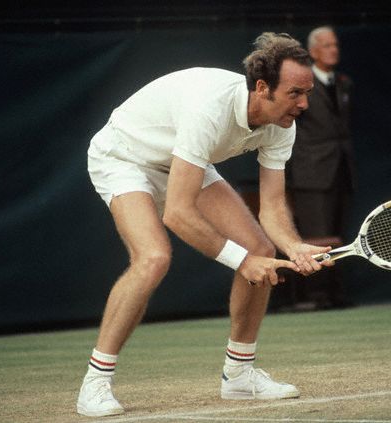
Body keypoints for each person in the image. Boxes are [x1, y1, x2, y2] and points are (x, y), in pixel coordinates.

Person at [78, 32, 334, 417]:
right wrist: (242, 262)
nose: (304, 104)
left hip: (181, 161)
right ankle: (95, 383)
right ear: (261, 87)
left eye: (307, 93)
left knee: (262, 248)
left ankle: (239, 377)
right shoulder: (209, 110)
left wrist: (294, 246)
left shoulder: (283, 124)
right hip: (123, 157)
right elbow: (177, 214)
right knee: (153, 258)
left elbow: (272, 207)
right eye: (295, 93)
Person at [286, 26, 354, 309]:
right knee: (316, 235)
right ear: (313, 52)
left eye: (335, 44)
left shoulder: (343, 82)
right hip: (310, 171)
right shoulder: (302, 83)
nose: (333, 49)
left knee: (338, 234)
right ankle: (316, 294)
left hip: (341, 169)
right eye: (327, 45)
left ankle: (335, 293)